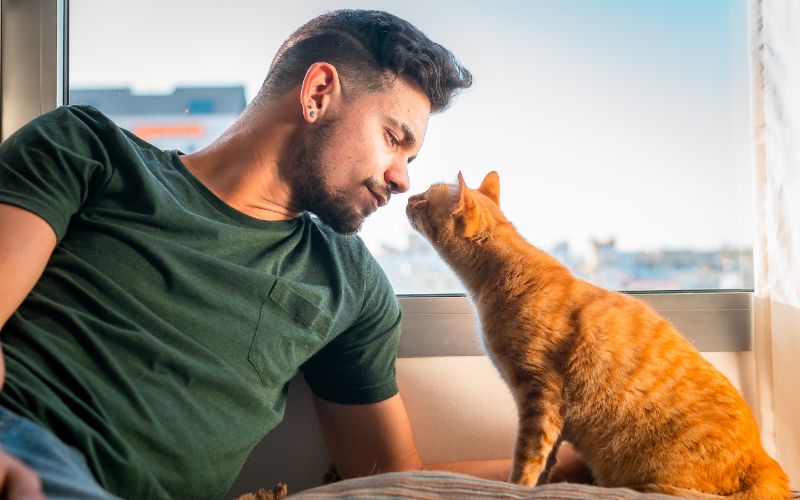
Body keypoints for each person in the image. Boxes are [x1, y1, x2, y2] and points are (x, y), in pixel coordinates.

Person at [0, 9, 588, 499]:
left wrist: (571, 467)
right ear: (318, 93)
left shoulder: (349, 286)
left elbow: (392, 477)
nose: (403, 179)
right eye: (394, 139)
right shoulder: (86, 149)